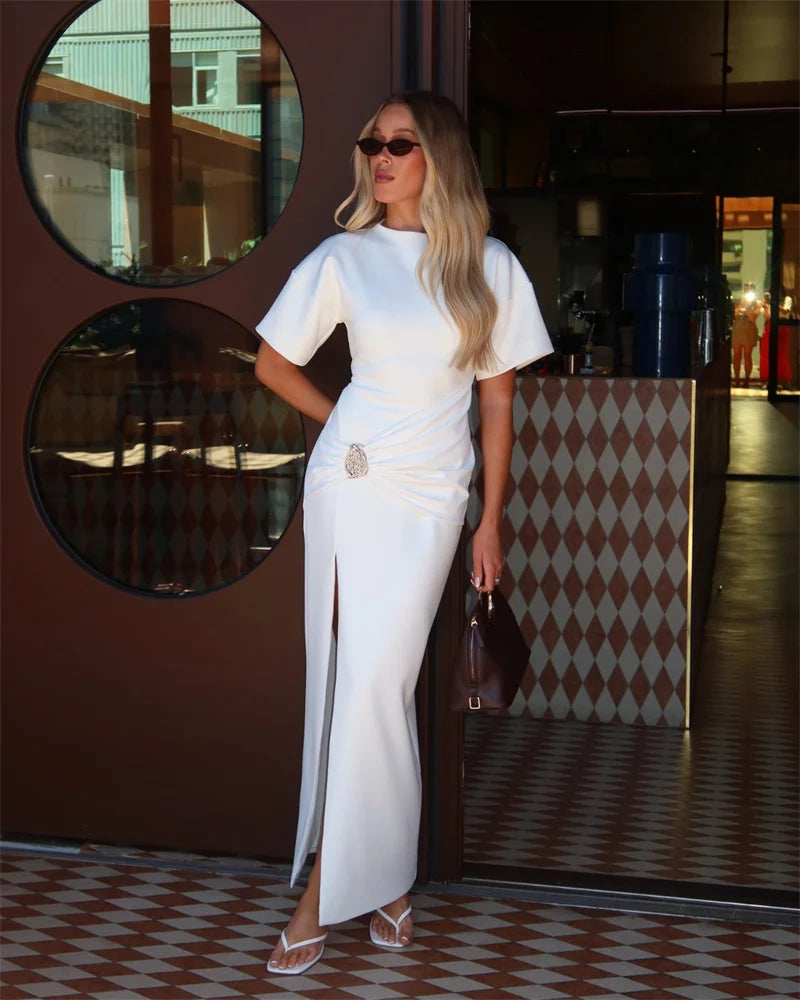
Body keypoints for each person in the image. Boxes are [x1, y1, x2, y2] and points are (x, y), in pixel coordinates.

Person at [253, 90, 552, 975]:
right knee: (358, 682)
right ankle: (354, 889)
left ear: (439, 157)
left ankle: (366, 881)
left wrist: (489, 519)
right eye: (371, 144)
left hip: (434, 500)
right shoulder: (344, 258)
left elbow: (497, 403)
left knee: (381, 683)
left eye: (400, 143)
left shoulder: (489, 266)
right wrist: (340, 418)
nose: (380, 157)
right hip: (350, 484)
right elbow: (274, 361)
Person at [731, 286, 761, 386]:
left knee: (747, 355)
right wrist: (740, 306)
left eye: (749, 289)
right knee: (736, 355)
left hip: (749, 331)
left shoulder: (757, 303)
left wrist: (748, 306)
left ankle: (746, 380)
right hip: (738, 329)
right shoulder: (739, 302)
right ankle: (737, 379)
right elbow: (734, 315)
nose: (747, 291)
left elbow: (753, 318)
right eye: (746, 290)